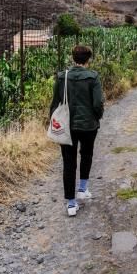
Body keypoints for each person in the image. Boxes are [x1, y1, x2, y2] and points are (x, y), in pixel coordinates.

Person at [49, 45, 105, 217]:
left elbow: (55, 103)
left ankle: (71, 204)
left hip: (67, 126)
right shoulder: (93, 77)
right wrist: (97, 117)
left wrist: (53, 121)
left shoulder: (62, 77)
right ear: (88, 59)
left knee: (68, 162)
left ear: (73, 58)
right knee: (87, 154)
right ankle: (82, 189)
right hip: (88, 125)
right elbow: (97, 103)